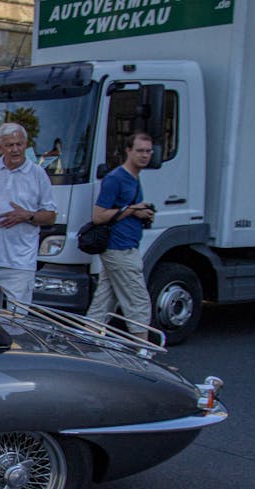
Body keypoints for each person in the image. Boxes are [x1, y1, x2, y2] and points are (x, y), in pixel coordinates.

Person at [0, 122, 57, 309]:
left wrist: (28, 216)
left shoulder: (37, 174)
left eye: (19, 144)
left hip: (19, 262)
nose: (15, 149)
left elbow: (50, 216)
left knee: (18, 321)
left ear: (26, 144)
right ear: (0, 147)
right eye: (9, 145)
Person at [86, 132, 157, 340]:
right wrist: (132, 210)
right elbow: (98, 216)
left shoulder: (135, 178)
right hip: (118, 247)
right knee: (137, 300)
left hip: (127, 245)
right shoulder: (115, 179)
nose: (145, 155)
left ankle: (86, 344)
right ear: (128, 151)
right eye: (140, 151)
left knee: (104, 301)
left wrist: (140, 213)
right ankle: (143, 352)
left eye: (148, 151)